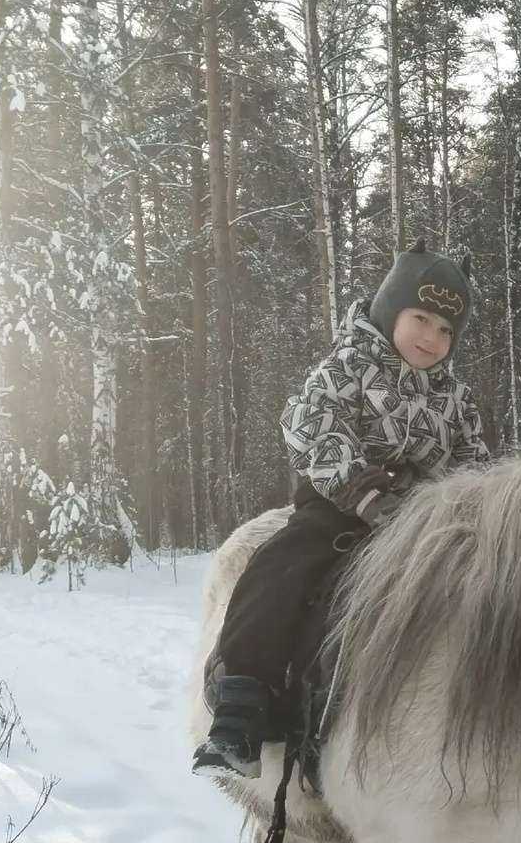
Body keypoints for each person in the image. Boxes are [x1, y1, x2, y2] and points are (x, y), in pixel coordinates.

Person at [194, 240, 489, 780]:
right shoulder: (348, 365)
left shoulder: (456, 397)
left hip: (425, 518)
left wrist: (470, 508)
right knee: (281, 565)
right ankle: (242, 702)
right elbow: (311, 426)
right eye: (421, 319)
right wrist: (363, 492)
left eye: (447, 330)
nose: (432, 338)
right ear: (390, 311)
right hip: (339, 505)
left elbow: (473, 462)